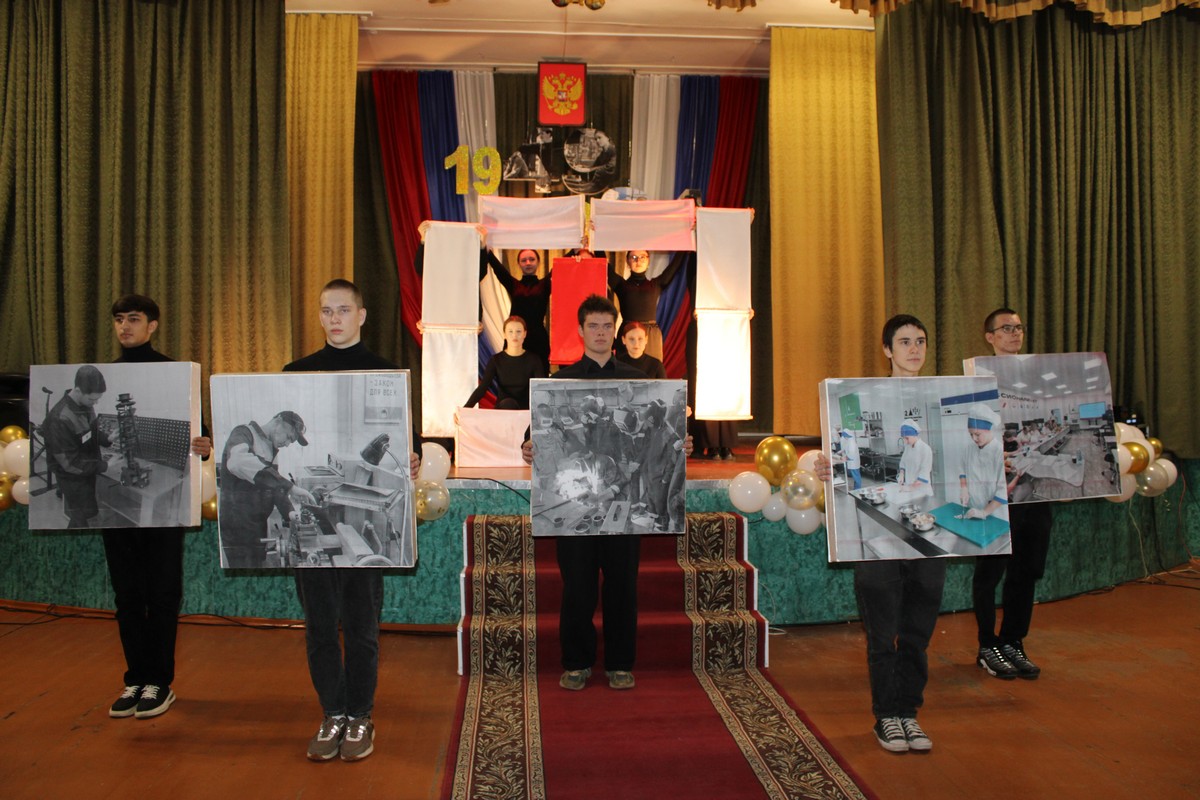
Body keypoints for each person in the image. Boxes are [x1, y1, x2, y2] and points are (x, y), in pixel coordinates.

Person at [522, 295, 692, 692]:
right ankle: (576, 662)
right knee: (577, 586)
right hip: (577, 500)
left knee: (622, 586)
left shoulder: (638, 379)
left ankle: (619, 662)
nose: (600, 333)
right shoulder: (559, 381)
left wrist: (681, 445)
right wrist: (528, 447)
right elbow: (535, 437)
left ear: (614, 331)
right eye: (593, 326)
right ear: (580, 331)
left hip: (623, 501)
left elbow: (650, 445)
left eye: (606, 326)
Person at [283, 278, 421, 763]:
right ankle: (332, 713)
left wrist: (412, 457)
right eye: (326, 311)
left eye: (343, 310)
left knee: (362, 627)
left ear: (361, 315)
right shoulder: (295, 374)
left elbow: (406, 442)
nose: (334, 319)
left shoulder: (387, 374)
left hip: (358, 524)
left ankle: (360, 714)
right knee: (319, 626)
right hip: (313, 520)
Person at [97, 295, 214, 720]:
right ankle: (135, 678)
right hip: (116, 503)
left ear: (152, 325)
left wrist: (202, 445)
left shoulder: (174, 374)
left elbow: (199, 438)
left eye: (133, 319)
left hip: (165, 506)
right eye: (119, 319)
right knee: (127, 593)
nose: (124, 326)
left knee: (162, 591)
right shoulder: (105, 377)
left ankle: (159, 682)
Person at [845, 315, 945, 754]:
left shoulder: (938, 397)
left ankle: (909, 713)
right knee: (883, 633)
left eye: (920, 341)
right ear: (887, 350)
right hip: (879, 538)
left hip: (926, 533)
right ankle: (886, 715)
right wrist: (827, 465)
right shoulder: (864, 397)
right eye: (904, 342)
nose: (914, 349)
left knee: (918, 632)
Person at [973, 308, 1052, 680]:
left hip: (1032, 495)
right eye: (1006, 328)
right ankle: (987, 644)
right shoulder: (976, 380)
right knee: (990, 572)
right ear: (990, 336)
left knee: (1026, 570)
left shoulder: (1036, 380)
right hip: (995, 490)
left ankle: (1013, 640)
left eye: (1019, 327)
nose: (1014, 333)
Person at [219, 410, 315, 568]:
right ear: (278, 421)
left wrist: (290, 512)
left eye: (291, 441)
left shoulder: (271, 449)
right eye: (288, 437)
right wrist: (290, 487)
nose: (287, 444)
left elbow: (273, 486)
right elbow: (236, 462)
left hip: (257, 525)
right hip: (237, 528)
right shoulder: (243, 433)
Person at [43, 365, 113, 529]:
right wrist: (105, 466)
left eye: (97, 399)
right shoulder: (59, 419)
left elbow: (92, 431)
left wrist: (107, 439)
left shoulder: (86, 404)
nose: (95, 403)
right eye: (92, 399)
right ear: (77, 390)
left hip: (86, 468)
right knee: (84, 516)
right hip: (72, 477)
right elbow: (70, 464)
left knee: (84, 511)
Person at [608, 250, 683, 362]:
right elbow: (604, 266)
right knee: (625, 370)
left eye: (642, 257)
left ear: (648, 261)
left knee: (652, 369)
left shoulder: (656, 284)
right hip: (628, 333)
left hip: (651, 336)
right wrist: (592, 243)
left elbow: (674, 266)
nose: (638, 261)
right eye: (633, 257)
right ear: (627, 261)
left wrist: (685, 247)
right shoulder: (620, 285)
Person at [486, 248, 552, 370]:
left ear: (538, 262)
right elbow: (498, 269)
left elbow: (559, 268)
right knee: (511, 372)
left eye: (531, 259)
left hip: (538, 339)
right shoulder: (513, 284)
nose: (528, 263)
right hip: (515, 337)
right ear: (519, 264)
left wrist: (574, 252)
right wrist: (487, 250)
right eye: (524, 260)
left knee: (540, 373)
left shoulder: (545, 284)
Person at [463, 315, 546, 409]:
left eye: (518, 331)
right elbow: (482, 388)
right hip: (503, 409)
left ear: (525, 334)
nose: (514, 335)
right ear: (504, 335)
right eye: (510, 331)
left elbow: (542, 388)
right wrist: (465, 409)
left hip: (525, 411)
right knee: (509, 403)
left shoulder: (534, 360)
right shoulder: (496, 360)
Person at [895, 421, 933, 497]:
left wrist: (911, 487)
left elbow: (924, 471)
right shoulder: (908, 448)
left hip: (922, 491)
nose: (905, 441)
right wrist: (902, 474)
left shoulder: (925, 449)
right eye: (903, 438)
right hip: (909, 488)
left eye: (907, 438)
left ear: (914, 435)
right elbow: (903, 462)